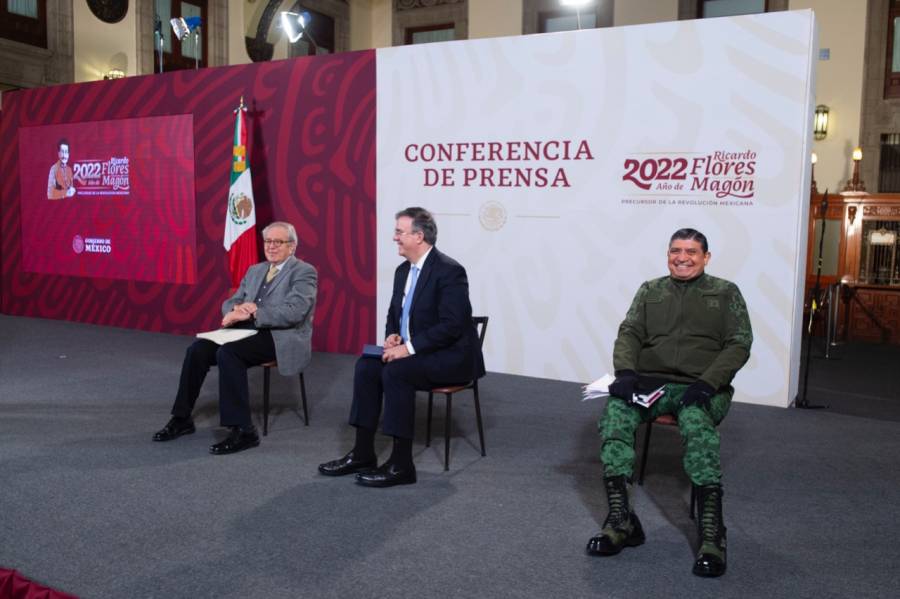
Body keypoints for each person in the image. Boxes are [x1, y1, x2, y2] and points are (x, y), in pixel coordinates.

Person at [586, 228, 752, 578]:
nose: (682, 257)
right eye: (676, 250)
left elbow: (739, 344)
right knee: (615, 414)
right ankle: (621, 521)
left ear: (706, 257)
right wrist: (626, 373)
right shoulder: (651, 291)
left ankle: (712, 535)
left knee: (696, 424)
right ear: (667, 255)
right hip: (653, 384)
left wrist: (708, 383)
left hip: (702, 388)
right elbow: (629, 332)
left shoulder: (725, 293)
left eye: (692, 251)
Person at [318, 207, 484, 487]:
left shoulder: (450, 271)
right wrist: (393, 335)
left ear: (418, 236)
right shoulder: (402, 270)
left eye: (399, 232)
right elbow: (394, 313)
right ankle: (362, 453)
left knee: (397, 372)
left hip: (451, 357)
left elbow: (452, 325)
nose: (394, 237)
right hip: (418, 352)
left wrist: (408, 348)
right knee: (367, 366)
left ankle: (401, 465)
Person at [153, 222, 317, 455]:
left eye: (277, 242)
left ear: (292, 246)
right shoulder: (255, 270)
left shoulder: (303, 271)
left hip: (280, 336)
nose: (270, 246)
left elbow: (296, 311)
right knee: (197, 350)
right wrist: (237, 309)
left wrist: (255, 313)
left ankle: (243, 430)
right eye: (267, 241)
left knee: (228, 353)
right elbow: (231, 301)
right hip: (245, 329)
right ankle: (181, 418)